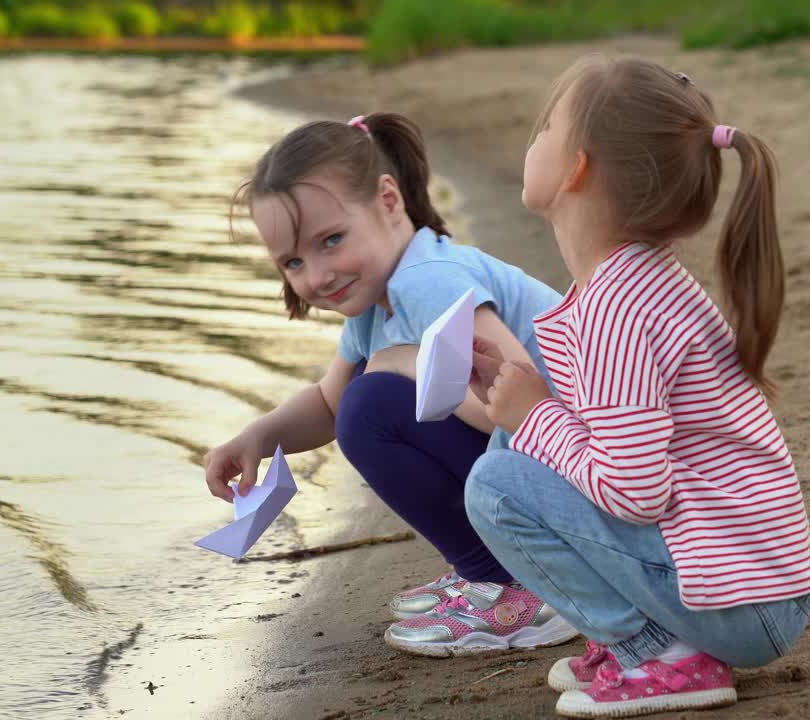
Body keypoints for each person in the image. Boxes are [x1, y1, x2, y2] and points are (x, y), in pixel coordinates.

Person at [463, 57, 810, 717]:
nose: (530, 138)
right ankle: (645, 639)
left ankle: (663, 654)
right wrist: (525, 404)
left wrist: (538, 414)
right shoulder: (635, 282)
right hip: (753, 582)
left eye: (545, 128)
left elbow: (635, 491)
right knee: (512, 445)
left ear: (576, 168)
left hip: (743, 602)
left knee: (493, 487)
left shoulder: (616, 310)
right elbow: (615, 439)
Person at [202, 112, 577, 656]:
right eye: (294, 261)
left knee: (373, 406)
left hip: (586, 472)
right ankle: (495, 571)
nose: (317, 276)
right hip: (558, 475)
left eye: (332, 240)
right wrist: (259, 437)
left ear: (388, 200)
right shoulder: (376, 300)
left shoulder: (427, 282)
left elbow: (524, 403)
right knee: (362, 401)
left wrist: (404, 362)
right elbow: (329, 404)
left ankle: (512, 585)